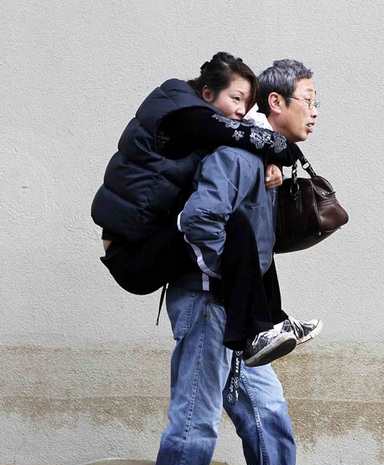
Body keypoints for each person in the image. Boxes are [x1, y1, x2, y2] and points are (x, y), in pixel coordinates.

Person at [148, 59, 322, 465]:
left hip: (238, 312)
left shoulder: (262, 158)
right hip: (209, 301)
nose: (315, 111)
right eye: (308, 100)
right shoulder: (239, 155)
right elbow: (199, 219)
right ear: (276, 103)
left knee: (268, 410)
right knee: (196, 419)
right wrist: (227, 282)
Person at [92, 52, 320, 366]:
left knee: (244, 226)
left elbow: (239, 133)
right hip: (131, 252)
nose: (241, 110)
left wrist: (272, 159)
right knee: (236, 227)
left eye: (247, 102)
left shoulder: (205, 123)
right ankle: (257, 329)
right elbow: (231, 133)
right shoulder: (180, 113)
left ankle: (271, 320)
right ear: (208, 93)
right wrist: (278, 148)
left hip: (152, 237)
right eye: (236, 99)